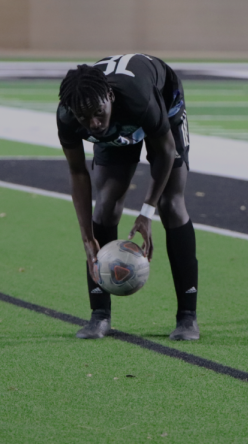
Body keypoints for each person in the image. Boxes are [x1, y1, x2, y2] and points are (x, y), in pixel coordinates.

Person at [57, 54, 199, 341]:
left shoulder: (139, 99)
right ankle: (99, 316)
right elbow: (78, 174)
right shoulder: (69, 115)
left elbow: (164, 153)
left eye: (98, 113)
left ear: (109, 96)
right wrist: (87, 238)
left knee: (171, 204)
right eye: (85, 119)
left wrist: (147, 213)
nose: (94, 124)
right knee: (106, 206)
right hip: (121, 118)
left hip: (162, 99)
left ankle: (187, 317)